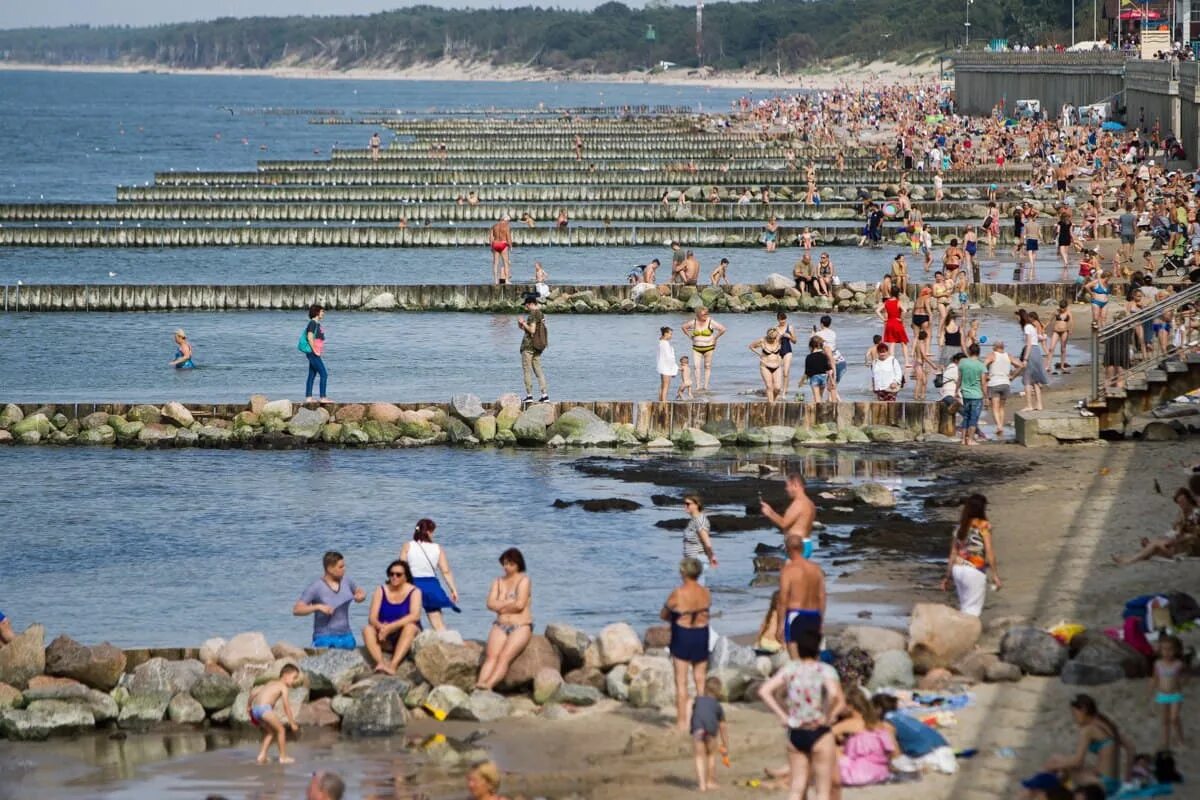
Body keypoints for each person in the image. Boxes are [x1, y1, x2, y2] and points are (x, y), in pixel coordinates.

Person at [757, 626, 844, 800]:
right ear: (818, 647)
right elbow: (836, 696)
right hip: (818, 729)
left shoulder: (791, 668)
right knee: (822, 791)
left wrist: (783, 715)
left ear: (798, 647)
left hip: (796, 729)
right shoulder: (825, 670)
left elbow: (765, 691)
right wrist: (827, 715)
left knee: (796, 789)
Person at [1043, 694, 1135, 797]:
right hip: (1114, 783)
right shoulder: (1105, 723)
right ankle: (1053, 792)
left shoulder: (1088, 730)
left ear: (1083, 710)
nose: (1074, 718)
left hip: (1102, 785)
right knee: (1061, 766)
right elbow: (1130, 747)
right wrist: (1128, 780)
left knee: (1055, 760)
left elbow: (1078, 762)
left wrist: (1054, 765)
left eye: (1074, 713)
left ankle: (1044, 793)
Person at [660, 557, 712, 732]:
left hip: (683, 635)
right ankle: (703, 720)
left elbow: (664, 614)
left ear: (683, 572)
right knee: (700, 680)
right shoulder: (706, 592)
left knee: (681, 681)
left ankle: (682, 723)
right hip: (701, 633)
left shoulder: (678, 593)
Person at [476, 548, 532, 691]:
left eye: (510, 564)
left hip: (521, 625)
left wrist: (500, 607)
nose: (506, 567)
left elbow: (520, 605)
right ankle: (480, 684)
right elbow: (489, 603)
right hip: (500, 625)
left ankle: (489, 685)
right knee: (491, 657)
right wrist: (508, 604)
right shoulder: (498, 581)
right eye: (505, 563)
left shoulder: (524, 580)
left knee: (504, 657)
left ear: (518, 564)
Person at [940, 494, 1001, 615]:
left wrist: (947, 577)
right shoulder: (984, 526)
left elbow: (953, 553)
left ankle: (961, 630)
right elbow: (989, 551)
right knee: (973, 609)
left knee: (965, 605)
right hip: (974, 569)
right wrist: (994, 575)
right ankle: (967, 632)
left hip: (958, 569)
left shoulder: (960, 527)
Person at [294, 551, 365, 649]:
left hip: (347, 636)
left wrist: (361, 596)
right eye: (341, 567)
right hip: (324, 637)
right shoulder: (316, 587)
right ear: (330, 569)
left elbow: (359, 591)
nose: (344, 569)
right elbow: (297, 610)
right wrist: (318, 607)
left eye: (344, 566)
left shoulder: (347, 581)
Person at [362, 560, 422, 674]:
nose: (394, 577)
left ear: (406, 577)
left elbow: (415, 616)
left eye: (398, 575)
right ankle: (380, 663)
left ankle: (393, 665)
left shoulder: (415, 591)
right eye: (391, 574)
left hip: (406, 635)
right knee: (367, 629)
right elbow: (372, 618)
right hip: (385, 636)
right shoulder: (381, 590)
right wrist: (381, 627)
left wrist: (391, 627)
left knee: (410, 626)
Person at [872, 694, 958, 774]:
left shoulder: (887, 724)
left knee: (892, 764)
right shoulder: (902, 717)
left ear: (878, 709)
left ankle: (920, 768)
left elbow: (895, 754)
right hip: (945, 750)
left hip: (930, 756)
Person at [1112, 487, 1199, 565]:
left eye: (1183, 502)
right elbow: (1177, 529)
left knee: (1156, 544)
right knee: (1156, 546)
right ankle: (1134, 557)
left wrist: (1176, 539)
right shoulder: (1183, 513)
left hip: (1191, 547)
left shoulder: (1196, 513)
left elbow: (1195, 535)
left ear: (1189, 500)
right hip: (1181, 544)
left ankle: (1129, 561)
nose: (1181, 505)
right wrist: (1177, 532)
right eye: (1179, 503)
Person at [400, 518, 460, 630]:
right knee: (437, 620)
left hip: (412, 585)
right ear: (428, 532)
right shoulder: (437, 548)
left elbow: (401, 569)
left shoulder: (408, 546)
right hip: (431, 585)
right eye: (433, 532)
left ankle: (416, 640)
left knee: (411, 618)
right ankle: (446, 642)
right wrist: (453, 589)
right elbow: (445, 571)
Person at [775, 533, 826, 653]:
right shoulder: (816, 568)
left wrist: (780, 625)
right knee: (812, 654)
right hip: (814, 613)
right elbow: (822, 596)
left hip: (795, 614)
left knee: (795, 657)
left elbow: (783, 599)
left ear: (787, 550)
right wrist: (821, 619)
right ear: (803, 548)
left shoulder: (788, 570)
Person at [838, 691, 896, 787]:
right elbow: (892, 752)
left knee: (830, 748)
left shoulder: (850, 723)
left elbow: (821, 737)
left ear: (850, 706)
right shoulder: (879, 723)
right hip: (881, 772)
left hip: (858, 775)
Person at [247, 664, 301, 764]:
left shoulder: (270, 683)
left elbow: (254, 693)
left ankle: (262, 756)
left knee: (270, 732)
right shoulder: (283, 687)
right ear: (285, 675)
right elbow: (286, 706)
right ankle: (283, 757)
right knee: (281, 730)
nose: (294, 681)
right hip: (264, 709)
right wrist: (292, 722)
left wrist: (249, 706)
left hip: (256, 710)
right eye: (294, 678)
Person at [761, 470, 818, 560]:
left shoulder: (799, 503)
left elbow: (784, 523)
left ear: (795, 484)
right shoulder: (810, 503)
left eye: (787, 485)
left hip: (797, 547)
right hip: (806, 544)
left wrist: (770, 512)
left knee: (790, 573)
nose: (786, 489)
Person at [690, 675, 730, 792]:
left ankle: (701, 785)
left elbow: (695, 712)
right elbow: (722, 727)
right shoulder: (718, 706)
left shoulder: (698, 701)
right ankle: (710, 782)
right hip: (710, 730)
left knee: (698, 756)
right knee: (711, 755)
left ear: (705, 689)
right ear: (719, 692)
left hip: (698, 729)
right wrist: (725, 744)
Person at [1151, 634, 1187, 750]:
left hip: (1175, 694)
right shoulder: (1158, 664)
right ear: (1160, 650)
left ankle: (1180, 739)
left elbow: (1186, 676)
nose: (1167, 652)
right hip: (1162, 694)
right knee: (1165, 720)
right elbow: (1155, 678)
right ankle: (1165, 742)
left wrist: (1182, 684)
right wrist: (1151, 689)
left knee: (1174, 718)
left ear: (1176, 650)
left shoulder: (1178, 664)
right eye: (1164, 649)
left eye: (1170, 649)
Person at [682, 306, 726, 393]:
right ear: (698, 314)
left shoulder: (710, 321)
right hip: (696, 348)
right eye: (704, 313)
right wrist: (690, 336)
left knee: (707, 366)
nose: (706, 315)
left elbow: (723, 329)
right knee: (696, 366)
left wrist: (715, 338)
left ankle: (705, 386)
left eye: (707, 313)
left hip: (709, 348)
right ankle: (698, 386)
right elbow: (683, 327)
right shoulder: (693, 322)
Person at [517, 295, 549, 405]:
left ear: (530, 304)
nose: (525, 307)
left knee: (527, 370)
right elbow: (532, 331)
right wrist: (522, 326)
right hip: (538, 346)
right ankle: (544, 395)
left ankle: (529, 395)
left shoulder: (532, 314)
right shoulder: (541, 314)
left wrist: (523, 322)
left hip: (528, 347)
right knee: (538, 370)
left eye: (526, 305)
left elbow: (532, 330)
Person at [681, 494, 718, 584]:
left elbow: (706, 541)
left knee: (697, 588)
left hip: (697, 560)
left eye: (688, 504)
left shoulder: (700, 520)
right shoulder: (693, 520)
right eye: (684, 503)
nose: (685, 506)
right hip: (692, 560)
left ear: (696, 505)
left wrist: (711, 556)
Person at [1018, 309, 1049, 411]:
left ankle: (1029, 405)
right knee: (1035, 380)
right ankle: (1039, 405)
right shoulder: (1032, 326)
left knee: (1027, 379)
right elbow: (1036, 340)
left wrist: (1025, 359)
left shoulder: (1027, 327)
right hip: (1037, 351)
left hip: (1031, 352)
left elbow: (1029, 344)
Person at [300, 304, 331, 405]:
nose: (323, 313)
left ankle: (308, 397)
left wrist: (320, 350)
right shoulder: (312, 323)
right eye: (322, 311)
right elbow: (309, 337)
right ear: (317, 312)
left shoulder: (317, 324)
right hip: (313, 353)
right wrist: (315, 351)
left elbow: (318, 338)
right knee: (324, 374)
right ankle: (323, 397)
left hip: (315, 353)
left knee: (312, 375)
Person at [957, 343, 987, 446]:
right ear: (979, 353)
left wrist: (956, 390)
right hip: (977, 395)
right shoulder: (981, 365)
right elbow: (983, 383)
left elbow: (959, 378)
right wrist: (986, 396)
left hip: (965, 394)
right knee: (973, 418)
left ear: (969, 351)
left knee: (966, 417)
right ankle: (970, 440)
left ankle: (962, 440)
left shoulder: (963, 362)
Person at [984, 341, 1014, 436]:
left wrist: (986, 375)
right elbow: (1021, 365)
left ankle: (999, 426)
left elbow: (983, 365)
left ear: (995, 347)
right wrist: (1013, 376)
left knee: (995, 407)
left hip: (994, 383)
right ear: (1003, 347)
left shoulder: (992, 355)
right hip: (1006, 383)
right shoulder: (1008, 355)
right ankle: (1000, 426)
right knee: (1001, 407)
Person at [876, 286, 910, 367]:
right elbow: (904, 311)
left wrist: (884, 319)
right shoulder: (898, 302)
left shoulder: (886, 302)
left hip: (889, 323)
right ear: (898, 293)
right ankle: (907, 362)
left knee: (892, 343)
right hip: (897, 323)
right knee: (903, 343)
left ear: (890, 292)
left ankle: (892, 362)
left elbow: (877, 311)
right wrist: (901, 319)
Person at [749, 328, 784, 403]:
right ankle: (771, 404)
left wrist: (776, 329)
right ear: (767, 336)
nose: (772, 339)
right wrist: (759, 354)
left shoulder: (778, 339)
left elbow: (784, 333)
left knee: (777, 388)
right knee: (769, 386)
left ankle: (772, 401)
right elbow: (751, 346)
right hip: (765, 366)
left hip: (777, 366)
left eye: (774, 338)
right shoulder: (762, 341)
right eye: (770, 338)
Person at [803, 336, 833, 403]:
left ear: (811, 346)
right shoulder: (824, 355)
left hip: (814, 378)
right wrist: (831, 380)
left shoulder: (809, 357)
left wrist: (804, 380)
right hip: (823, 377)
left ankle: (818, 412)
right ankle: (821, 410)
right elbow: (828, 369)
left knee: (817, 398)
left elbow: (807, 371)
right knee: (820, 396)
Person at [1047, 300, 1073, 374]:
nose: (1062, 309)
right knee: (1051, 348)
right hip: (1056, 331)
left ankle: (1062, 365)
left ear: (1066, 307)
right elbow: (1050, 320)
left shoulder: (1068, 312)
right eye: (1061, 307)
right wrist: (1045, 326)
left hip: (1064, 332)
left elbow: (1071, 321)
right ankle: (1048, 366)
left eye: (1063, 308)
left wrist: (1070, 329)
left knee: (1063, 349)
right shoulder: (1056, 311)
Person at [775, 312, 798, 392]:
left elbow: (795, 341)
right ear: (778, 320)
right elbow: (773, 342)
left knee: (785, 372)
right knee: (778, 372)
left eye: (784, 319)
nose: (783, 321)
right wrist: (778, 338)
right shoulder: (775, 329)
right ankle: (779, 389)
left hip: (788, 351)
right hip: (778, 351)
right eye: (781, 320)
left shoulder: (790, 327)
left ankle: (784, 392)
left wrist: (790, 337)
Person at [489, 215, 513, 284]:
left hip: (495, 244)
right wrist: (511, 246)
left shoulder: (494, 226)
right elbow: (508, 237)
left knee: (495, 263)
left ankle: (496, 280)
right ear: (506, 220)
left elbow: (491, 237)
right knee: (506, 263)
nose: (508, 222)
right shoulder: (506, 226)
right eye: (508, 221)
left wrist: (491, 246)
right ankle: (507, 280)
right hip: (503, 244)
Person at [657, 326, 677, 402]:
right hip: (666, 367)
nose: (671, 336)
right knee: (666, 386)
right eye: (670, 334)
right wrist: (674, 368)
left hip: (662, 366)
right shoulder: (665, 343)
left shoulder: (661, 342)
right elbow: (669, 357)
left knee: (663, 385)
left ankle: (660, 401)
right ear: (665, 334)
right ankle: (664, 402)